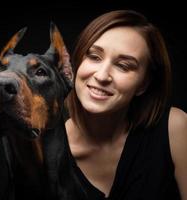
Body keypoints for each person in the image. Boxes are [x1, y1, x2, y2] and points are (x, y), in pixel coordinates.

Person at [65, 10, 187, 200]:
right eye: (94, 57)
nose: (102, 76)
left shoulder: (175, 128)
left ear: (143, 84)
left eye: (123, 65)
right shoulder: (43, 149)